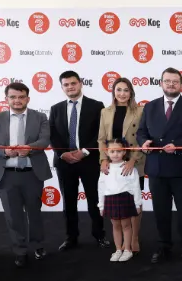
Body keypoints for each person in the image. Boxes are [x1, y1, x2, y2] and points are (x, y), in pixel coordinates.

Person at [138, 67, 182, 264]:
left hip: (181, 166)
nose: (171, 84)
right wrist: (143, 143)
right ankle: (163, 245)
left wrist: (178, 145)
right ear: (161, 83)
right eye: (167, 81)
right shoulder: (150, 107)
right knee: (160, 210)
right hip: (156, 167)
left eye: (175, 81)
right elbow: (141, 132)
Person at [0, 82, 52, 268]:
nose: (17, 100)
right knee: (13, 217)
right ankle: (20, 251)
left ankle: (38, 246)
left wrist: (29, 148)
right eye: (13, 97)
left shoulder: (40, 117)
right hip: (6, 176)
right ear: (6, 99)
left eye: (21, 97)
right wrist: (5, 151)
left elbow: (45, 140)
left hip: (32, 174)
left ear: (28, 99)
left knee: (34, 213)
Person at [50, 71, 108, 252]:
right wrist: (63, 154)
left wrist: (83, 152)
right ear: (62, 87)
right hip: (65, 162)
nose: (70, 87)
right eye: (66, 85)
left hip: (89, 160)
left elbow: (100, 134)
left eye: (73, 83)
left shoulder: (96, 106)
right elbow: (52, 135)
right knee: (68, 202)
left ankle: (99, 235)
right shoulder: (56, 108)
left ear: (80, 83)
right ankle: (71, 237)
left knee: (94, 200)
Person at [97, 77, 145, 255]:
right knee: (116, 200)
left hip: (134, 162)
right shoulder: (105, 112)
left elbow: (143, 138)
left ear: (131, 93)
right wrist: (103, 159)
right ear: (113, 92)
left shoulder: (140, 111)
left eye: (126, 90)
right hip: (112, 163)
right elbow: (101, 139)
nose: (122, 93)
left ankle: (133, 238)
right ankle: (121, 242)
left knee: (134, 199)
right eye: (119, 90)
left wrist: (133, 160)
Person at [98, 139, 142, 262]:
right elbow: (101, 188)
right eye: (112, 151)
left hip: (125, 198)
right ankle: (118, 249)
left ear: (124, 152)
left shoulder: (129, 168)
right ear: (107, 152)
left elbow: (136, 187)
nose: (115, 154)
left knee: (126, 225)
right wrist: (101, 205)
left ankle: (127, 250)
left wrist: (137, 204)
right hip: (110, 199)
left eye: (119, 151)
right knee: (115, 226)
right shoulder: (105, 169)